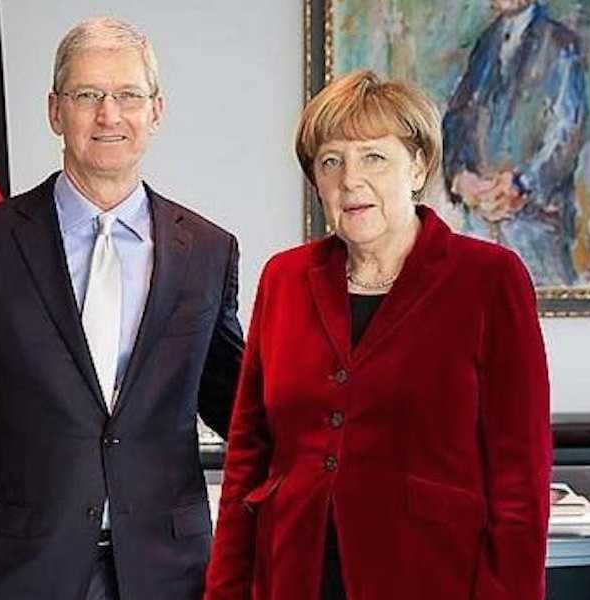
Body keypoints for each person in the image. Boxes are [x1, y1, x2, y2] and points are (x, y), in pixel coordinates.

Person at [0, 17, 243, 600]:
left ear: (155, 112)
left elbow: (242, 408)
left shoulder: (209, 252)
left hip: (169, 575)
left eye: (128, 96)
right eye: (88, 95)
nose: (109, 115)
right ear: (55, 111)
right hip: (21, 573)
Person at [205, 70, 551, 600]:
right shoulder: (285, 278)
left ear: (417, 166)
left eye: (373, 156)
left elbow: (520, 481)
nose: (350, 180)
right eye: (330, 161)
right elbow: (249, 453)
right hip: (292, 575)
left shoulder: (489, 279)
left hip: (432, 577)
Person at [443, 0, 587, 286]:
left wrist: (522, 185)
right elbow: (456, 120)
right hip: (481, 224)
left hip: (536, 230)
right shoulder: (486, 43)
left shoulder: (559, 44)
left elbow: (566, 133)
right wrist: (459, 177)